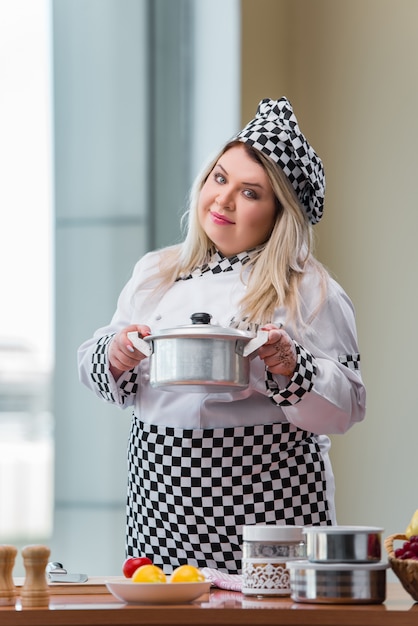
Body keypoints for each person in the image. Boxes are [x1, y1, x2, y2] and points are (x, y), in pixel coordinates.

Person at [78, 97, 366, 574]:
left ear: (280, 214)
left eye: (251, 193)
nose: (224, 200)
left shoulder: (311, 291)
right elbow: (92, 364)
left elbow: (348, 408)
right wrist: (118, 354)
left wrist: (290, 368)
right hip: (162, 511)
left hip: (269, 514)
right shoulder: (156, 274)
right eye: (219, 178)